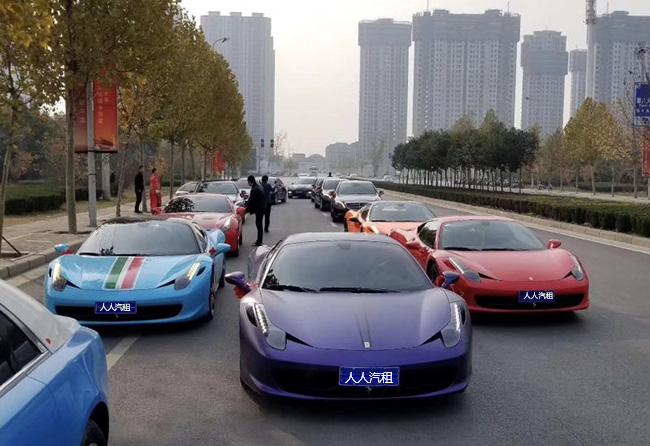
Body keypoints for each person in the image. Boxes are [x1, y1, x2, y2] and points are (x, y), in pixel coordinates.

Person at [245, 175, 265, 246]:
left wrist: (246, 208)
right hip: (262, 208)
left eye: (248, 181)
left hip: (258, 209)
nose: (247, 183)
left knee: (258, 225)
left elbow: (252, 201)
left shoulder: (254, 189)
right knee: (259, 225)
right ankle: (259, 240)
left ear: (250, 181)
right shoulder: (259, 186)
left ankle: (259, 241)